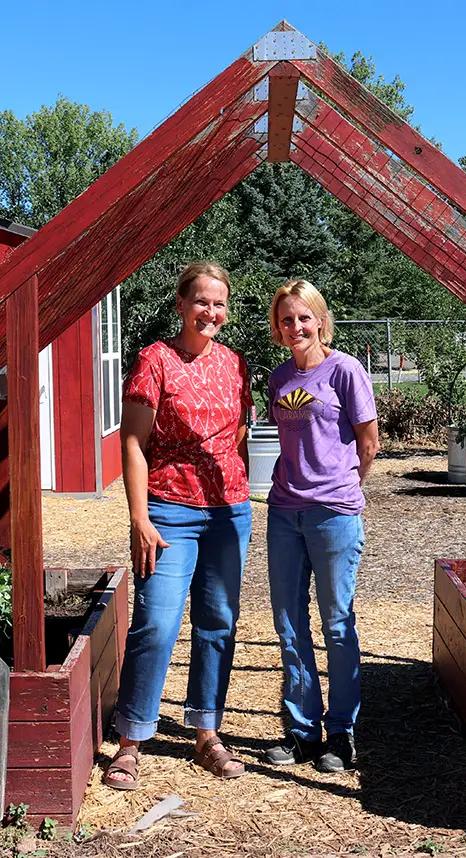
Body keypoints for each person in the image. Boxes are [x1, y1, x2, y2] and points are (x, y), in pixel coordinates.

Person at [104, 261, 253, 790]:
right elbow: (133, 445)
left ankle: (207, 734)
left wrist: (237, 497)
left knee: (217, 623)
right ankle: (131, 740)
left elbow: (237, 436)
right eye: (201, 301)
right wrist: (139, 519)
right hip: (168, 512)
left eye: (219, 302)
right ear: (181, 305)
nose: (210, 311)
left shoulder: (236, 364)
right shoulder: (156, 359)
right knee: (157, 623)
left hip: (229, 513)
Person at [264, 279, 379, 773]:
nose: (296, 327)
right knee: (289, 624)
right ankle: (301, 730)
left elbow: (369, 442)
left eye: (303, 317)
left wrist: (345, 487)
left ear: (319, 319)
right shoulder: (278, 378)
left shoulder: (345, 370)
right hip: (284, 512)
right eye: (287, 319)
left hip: (334, 512)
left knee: (336, 624)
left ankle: (341, 733)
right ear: (278, 326)